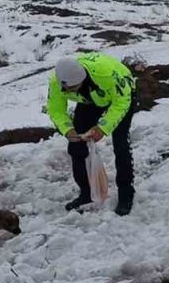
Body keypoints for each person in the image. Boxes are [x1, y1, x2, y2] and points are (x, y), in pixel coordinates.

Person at [47, 53, 138, 215]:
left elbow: (122, 101)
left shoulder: (106, 75)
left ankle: (126, 194)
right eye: (66, 90)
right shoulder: (57, 81)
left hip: (121, 95)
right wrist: (68, 130)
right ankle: (86, 192)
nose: (69, 91)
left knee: (120, 144)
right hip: (89, 100)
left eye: (73, 88)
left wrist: (102, 128)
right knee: (76, 145)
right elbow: (55, 109)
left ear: (82, 79)